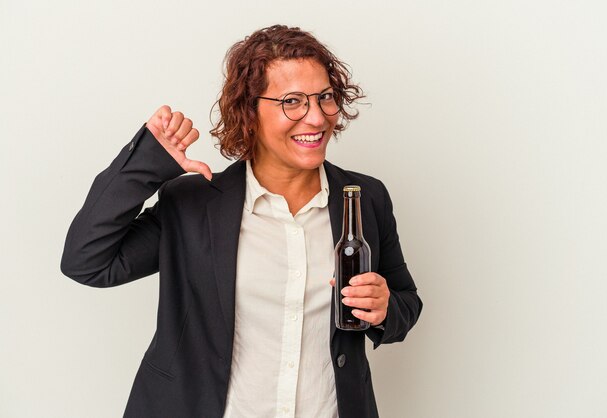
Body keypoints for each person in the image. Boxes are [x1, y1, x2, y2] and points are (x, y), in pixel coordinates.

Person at [61, 24, 422, 418]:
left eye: (325, 98)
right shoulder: (193, 204)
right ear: (249, 111)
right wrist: (147, 164)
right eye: (293, 101)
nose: (316, 117)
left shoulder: (363, 198)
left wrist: (385, 309)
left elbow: (405, 302)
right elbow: (87, 261)